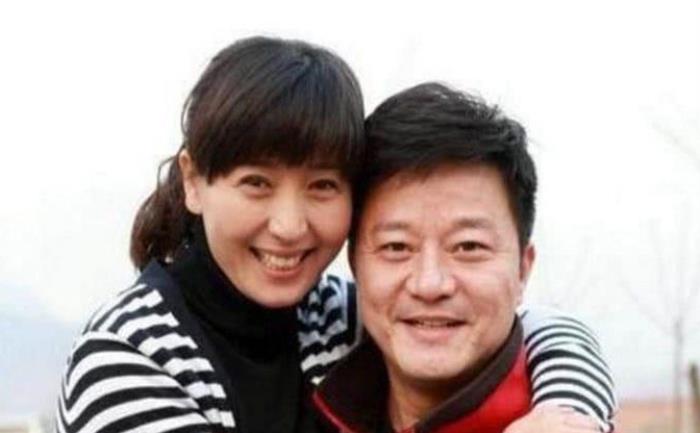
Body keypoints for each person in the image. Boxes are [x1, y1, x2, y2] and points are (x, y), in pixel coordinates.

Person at [57, 38, 615, 433]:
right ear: (193, 181)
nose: (289, 225)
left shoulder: (332, 315)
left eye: (322, 186)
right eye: (256, 184)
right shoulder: (129, 357)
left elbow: (539, 327)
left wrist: (566, 412)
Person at [313, 83, 616, 433]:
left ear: (522, 269)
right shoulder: (307, 390)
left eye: (468, 246)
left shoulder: (562, 419)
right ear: (355, 264)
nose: (430, 284)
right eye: (396, 247)